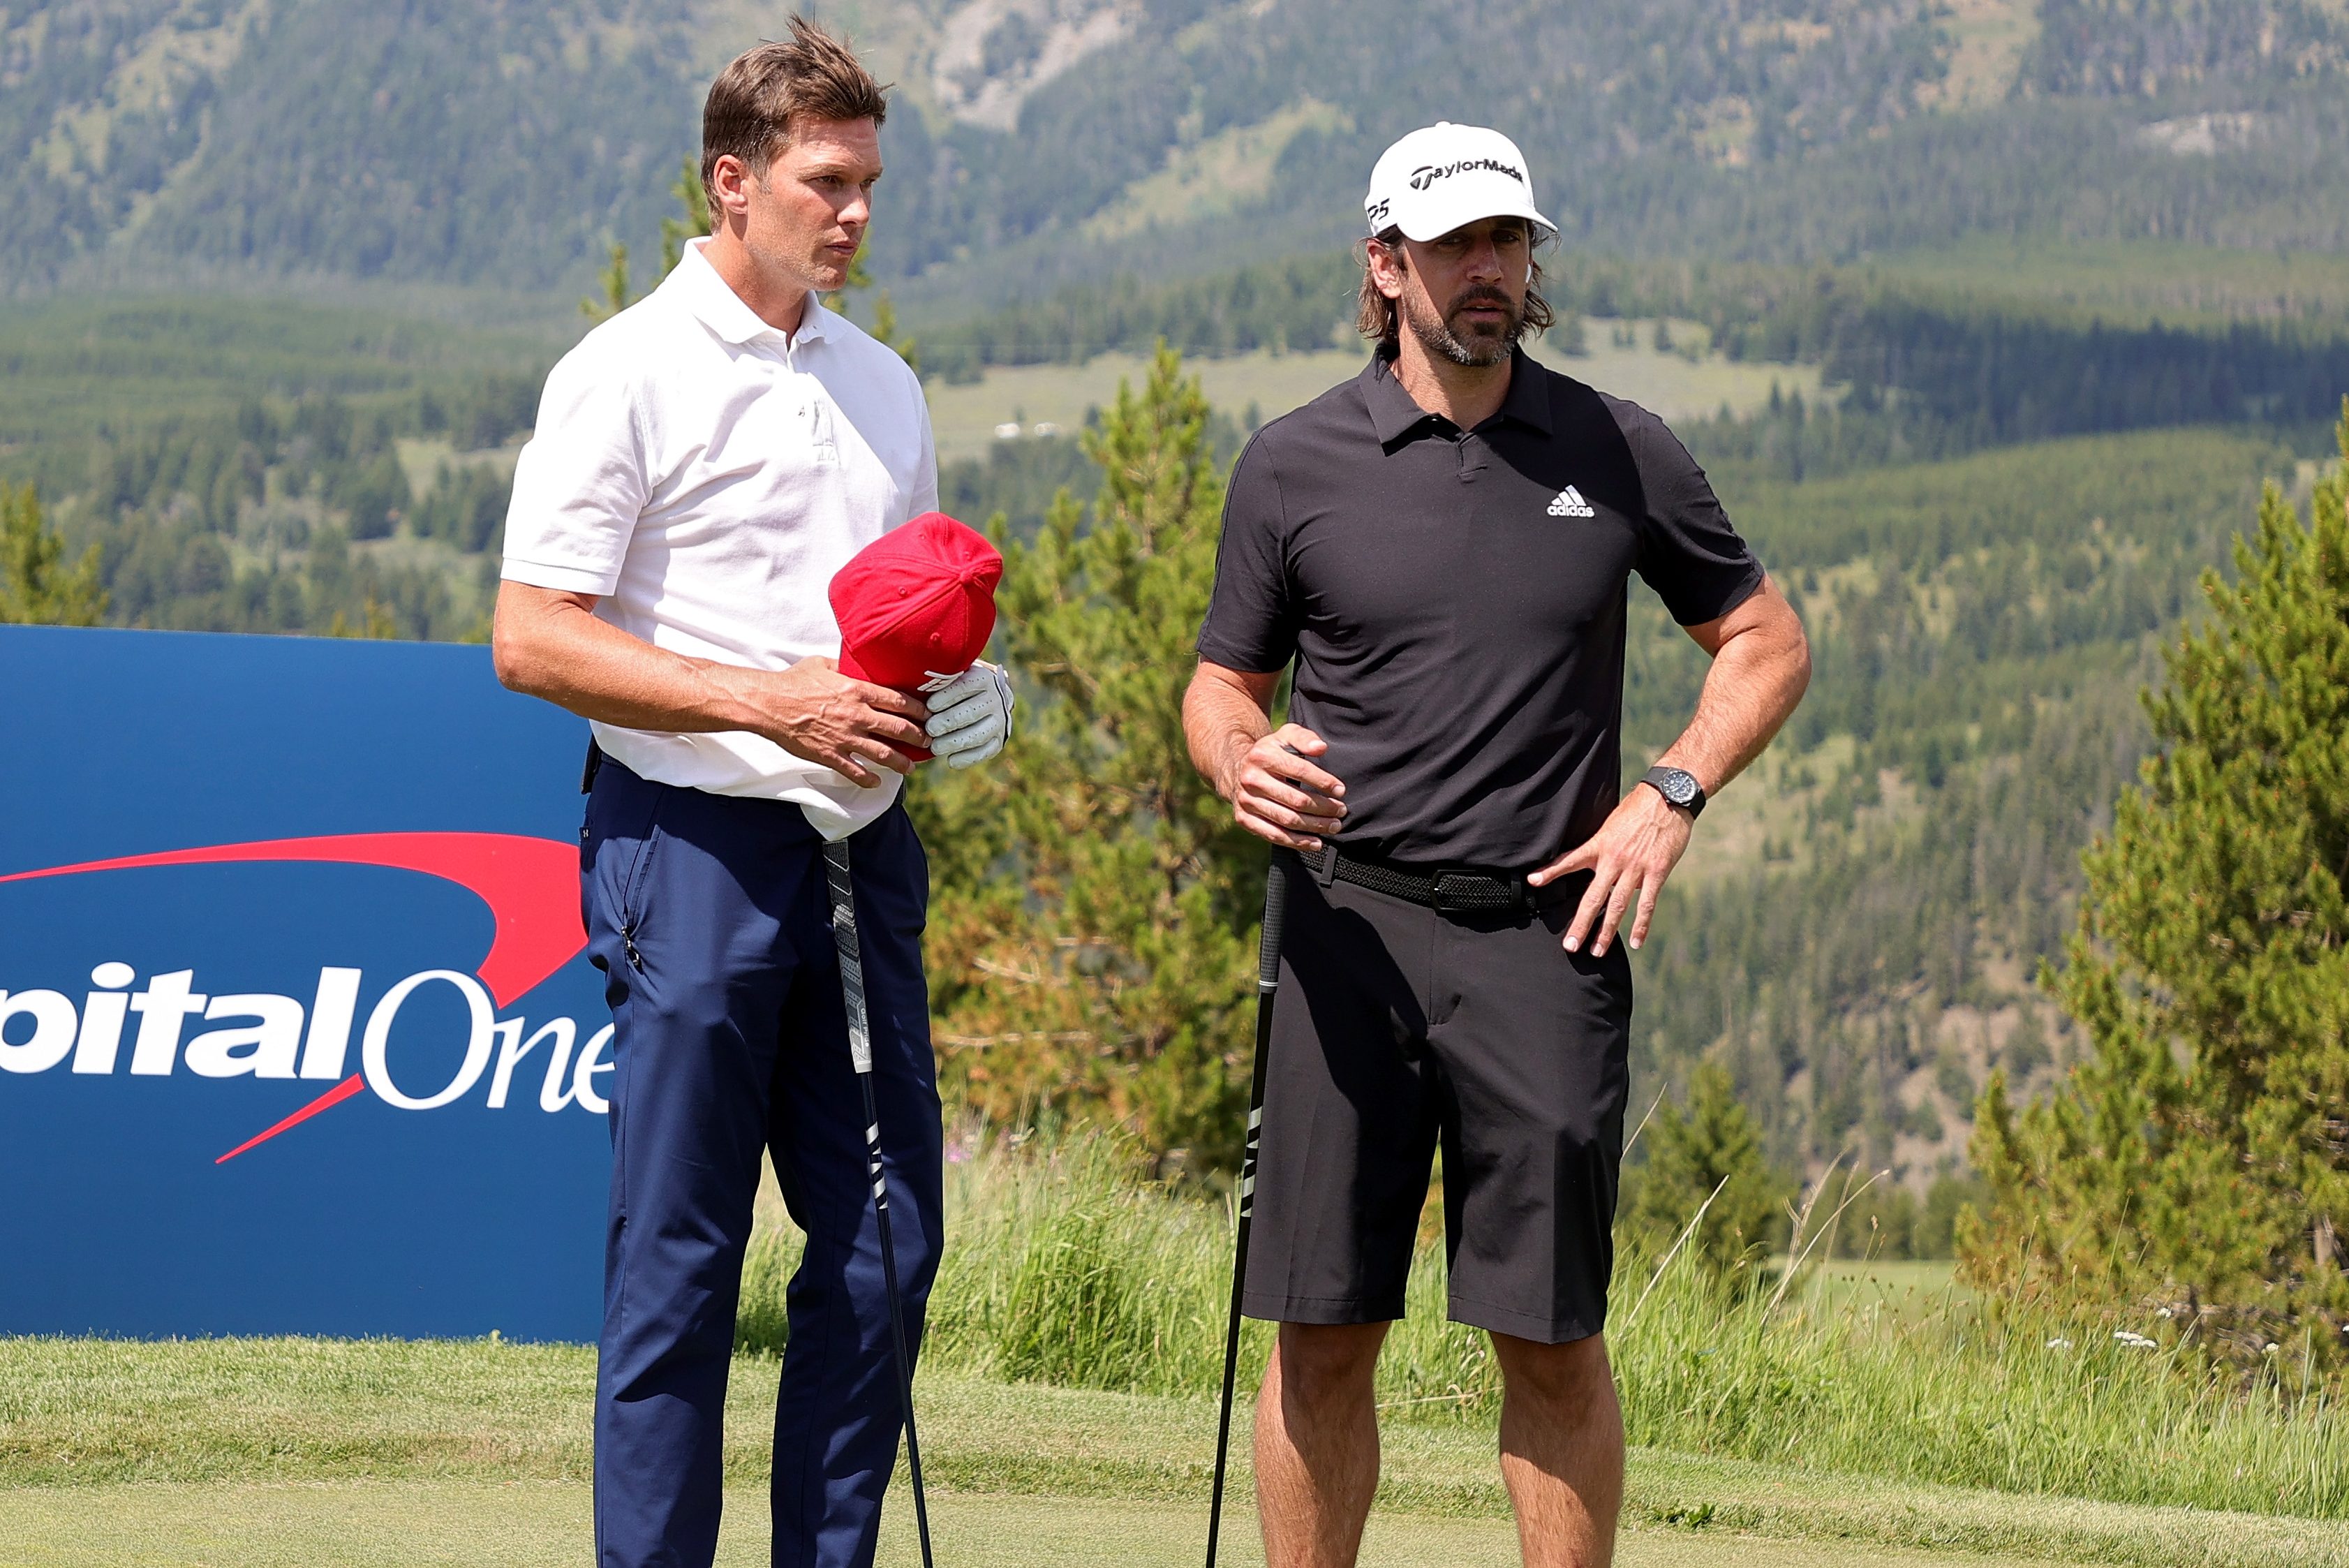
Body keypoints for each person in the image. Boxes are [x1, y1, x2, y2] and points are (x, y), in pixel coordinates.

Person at [1182, 122, 1811, 1568]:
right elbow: (1222, 681)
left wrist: (1671, 791)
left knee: (1551, 1335)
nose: (1488, 269)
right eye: (1455, 244)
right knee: (1321, 1328)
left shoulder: (1617, 446)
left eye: (1509, 241)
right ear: (1383, 263)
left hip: (1548, 940)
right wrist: (1235, 756)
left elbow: (1765, 640)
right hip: (1345, 934)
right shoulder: (1293, 463)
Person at [490, 22, 1012, 1568]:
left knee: (884, 1254)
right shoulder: (626, 370)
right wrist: (768, 699)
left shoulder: (883, 385)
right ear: (733, 181)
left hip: (861, 854)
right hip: (689, 846)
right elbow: (532, 637)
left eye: (868, 185)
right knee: (680, 1263)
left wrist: (958, 693)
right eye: (823, 182)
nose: (854, 214)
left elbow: (895, 617)